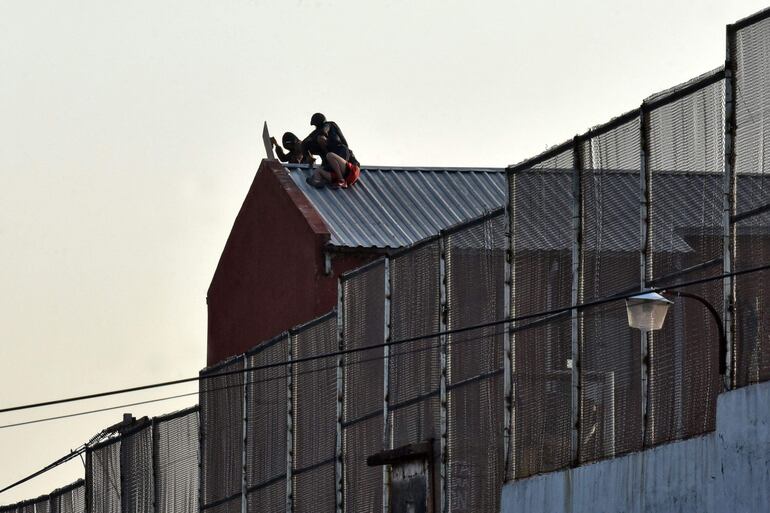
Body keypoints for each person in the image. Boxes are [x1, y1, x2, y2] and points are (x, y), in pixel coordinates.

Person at [303, 113, 360, 189]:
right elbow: (304, 143)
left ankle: (341, 180)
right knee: (317, 171)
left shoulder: (330, 126)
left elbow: (325, 128)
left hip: (350, 171)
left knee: (329, 155)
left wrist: (322, 134)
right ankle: (317, 182)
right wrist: (308, 156)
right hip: (336, 173)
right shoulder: (325, 151)